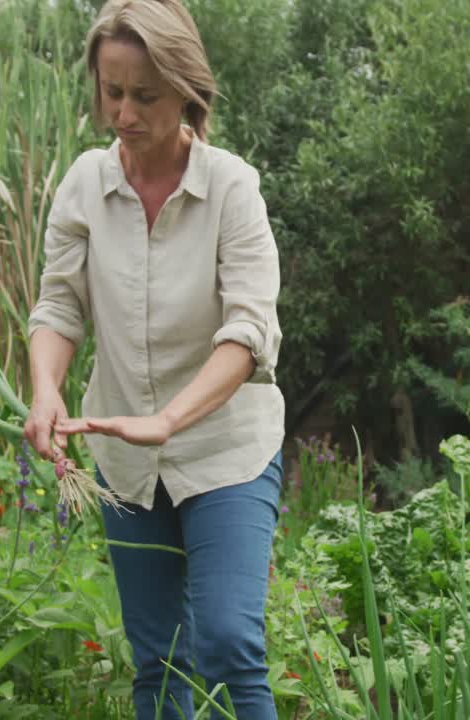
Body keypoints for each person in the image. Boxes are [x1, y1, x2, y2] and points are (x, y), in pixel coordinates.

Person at [22, 1, 285, 717]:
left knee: (231, 642)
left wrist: (168, 419)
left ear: (186, 91)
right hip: (127, 467)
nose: (124, 114)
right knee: (158, 663)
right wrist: (47, 388)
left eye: (145, 95)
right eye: (113, 92)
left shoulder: (232, 189)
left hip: (225, 451)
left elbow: (249, 332)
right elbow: (58, 307)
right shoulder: (84, 184)